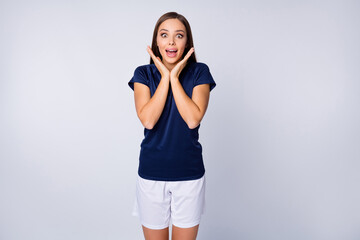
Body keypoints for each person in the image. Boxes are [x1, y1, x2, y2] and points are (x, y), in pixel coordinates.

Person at [128, 11, 216, 240]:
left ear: (187, 42)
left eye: (179, 36)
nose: (171, 41)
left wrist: (174, 78)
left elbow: (192, 118)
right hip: (151, 175)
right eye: (164, 35)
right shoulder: (143, 74)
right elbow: (148, 119)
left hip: (189, 176)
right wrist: (165, 77)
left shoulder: (199, 72)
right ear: (157, 41)